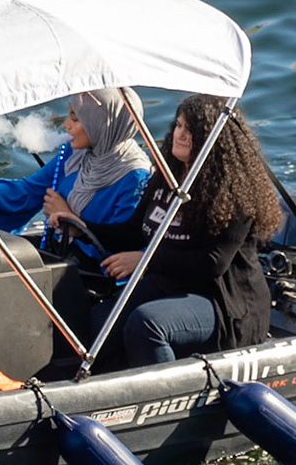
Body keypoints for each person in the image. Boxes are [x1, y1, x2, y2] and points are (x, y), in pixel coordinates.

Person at [51, 94, 282, 365]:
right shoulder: (166, 179)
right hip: (170, 285)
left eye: (192, 130)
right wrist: (81, 227)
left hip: (224, 302)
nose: (180, 135)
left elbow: (213, 263)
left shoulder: (233, 193)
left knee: (147, 323)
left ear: (214, 140)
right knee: (100, 321)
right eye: (180, 126)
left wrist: (145, 261)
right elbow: (134, 232)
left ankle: (170, 399)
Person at [0, 91, 151, 260]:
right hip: (60, 248)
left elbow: (124, 241)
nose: (65, 125)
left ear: (102, 123)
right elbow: (31, 189)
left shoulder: (135, 177)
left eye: (75, 118)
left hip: (92, 266)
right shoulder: (74, 155)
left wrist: (70, 220)